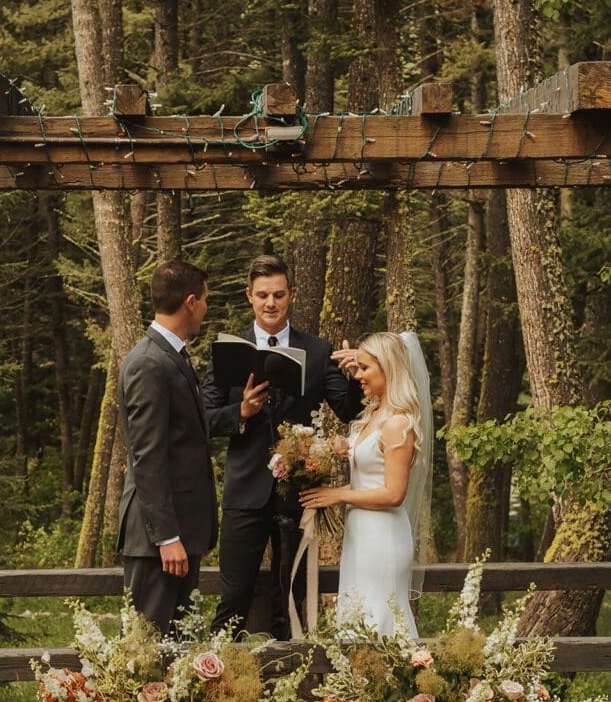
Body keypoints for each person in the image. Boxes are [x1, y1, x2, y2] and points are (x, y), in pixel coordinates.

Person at [202, 254, 362, 639]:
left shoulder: (318, 350)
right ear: (249, 296)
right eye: (262, 295)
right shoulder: (227, 349)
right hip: (245, 492)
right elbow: (205, 418)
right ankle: (219, 688)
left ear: (291, 294)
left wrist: (355, 376)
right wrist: (241, 411)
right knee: (234, 595)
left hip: (299, 491)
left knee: (291, 597)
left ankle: (292, 693)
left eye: (278, 294)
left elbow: (348, 409)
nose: (270, 303)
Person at [300, 331, 432, 637]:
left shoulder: (399, 423)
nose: (358, 376)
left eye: (365, 368)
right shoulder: (373, 413)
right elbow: (370, 458)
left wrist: (339, 495)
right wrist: (342, 446)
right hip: (361, 533)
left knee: (379, 619)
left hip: (383, 536)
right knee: (358, 617)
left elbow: (394, 493)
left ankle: (389, 682)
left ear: (388, 367)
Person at [117, 259, 218, 634]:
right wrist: (168, 537)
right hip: (156, 541)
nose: (206, 309)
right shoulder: (148, 363)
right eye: (206, 300)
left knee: (176, 657)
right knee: (148, 655)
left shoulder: (170, 355)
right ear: (190, 302)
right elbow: (148, 457)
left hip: (178, 535)